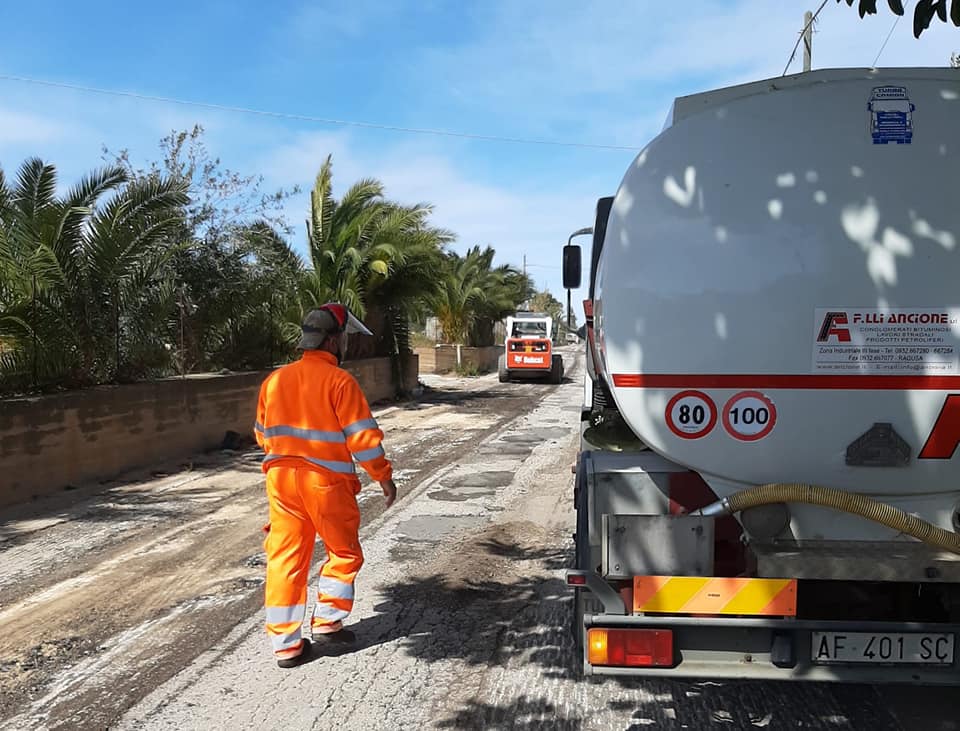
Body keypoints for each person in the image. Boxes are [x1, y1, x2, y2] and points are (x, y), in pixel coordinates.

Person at [255, 303, 397, 668]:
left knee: (286, 557)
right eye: (344, 339)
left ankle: (286, 646)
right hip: (325, 483)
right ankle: (328, 625)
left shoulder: (274, 381)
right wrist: (382, 476)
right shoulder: (339, 381)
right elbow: (363, 439)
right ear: (333, 341)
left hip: (280, 481)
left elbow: (261, 434)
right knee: (344, 553)